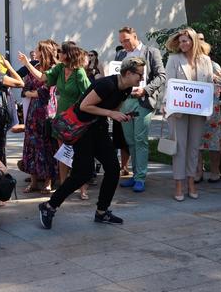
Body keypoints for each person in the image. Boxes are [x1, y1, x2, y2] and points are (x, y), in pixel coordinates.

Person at [38, 57, 146, 229]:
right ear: (128, 73)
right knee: (83, 173)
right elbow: (84, 106)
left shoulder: (126, 88)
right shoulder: (106, 84)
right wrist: (111, 113)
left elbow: (113, 108)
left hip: (99, 129)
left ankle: (102, 212)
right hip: (83, 131)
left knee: (112, 169)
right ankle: (49, 206)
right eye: (139, 75)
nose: (141, 78)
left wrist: (120, 114)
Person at [19, 41, 91, 198]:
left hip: (77, 117)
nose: (58, 54)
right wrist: (26, 64)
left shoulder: (79, 72)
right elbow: (42, 77)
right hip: (61, 117)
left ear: (67, 55)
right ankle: (64, 186)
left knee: (79, 154)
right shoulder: (59, 68)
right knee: (63, 153)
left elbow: (88, 94)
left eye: (61, 52)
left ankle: (83, 188)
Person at [162, 28, 214, 201]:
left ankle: (191, 182)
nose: (183, 44)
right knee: (179, 148)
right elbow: (168, 84)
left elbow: (208, 85)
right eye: (181, 41)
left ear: (194, 41)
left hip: (198, 111)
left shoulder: (205, 60)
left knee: (193, 148)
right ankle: (178, 184)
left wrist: (210, 101)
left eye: (186, 40)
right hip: (178, 111)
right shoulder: (173, 59)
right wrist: (165, 104)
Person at [115, 27, 166, 193]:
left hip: (143, 101)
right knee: (130, 140)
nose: (124, 44)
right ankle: (135, 174)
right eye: (122, 41)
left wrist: (146, 90)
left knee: (140, 139)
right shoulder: (121, 55)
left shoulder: (151, 52)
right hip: (125, 102)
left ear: (135, 36)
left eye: (127, 40)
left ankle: (140, 177)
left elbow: (161, 76)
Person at [19, 40, 59, 194]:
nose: (35, 52)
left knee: (47, 145)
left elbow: (44, 91)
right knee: (31, 145)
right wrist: (32, 92)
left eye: (38, 50)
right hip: (32, 113)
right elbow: (25, 89)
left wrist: (34, 92)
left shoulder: (54, 69)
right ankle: (34, 181)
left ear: (45, 52)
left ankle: (48, 181)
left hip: (47, 112)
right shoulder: (35, 67)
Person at [195, 35, 221, 183]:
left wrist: (216, 80)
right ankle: (198, 171)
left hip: (211, 109)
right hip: (194, 108)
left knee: (213, 141)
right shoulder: (190, 65)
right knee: (195, 140)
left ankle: (215, 171)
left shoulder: (214, 65)